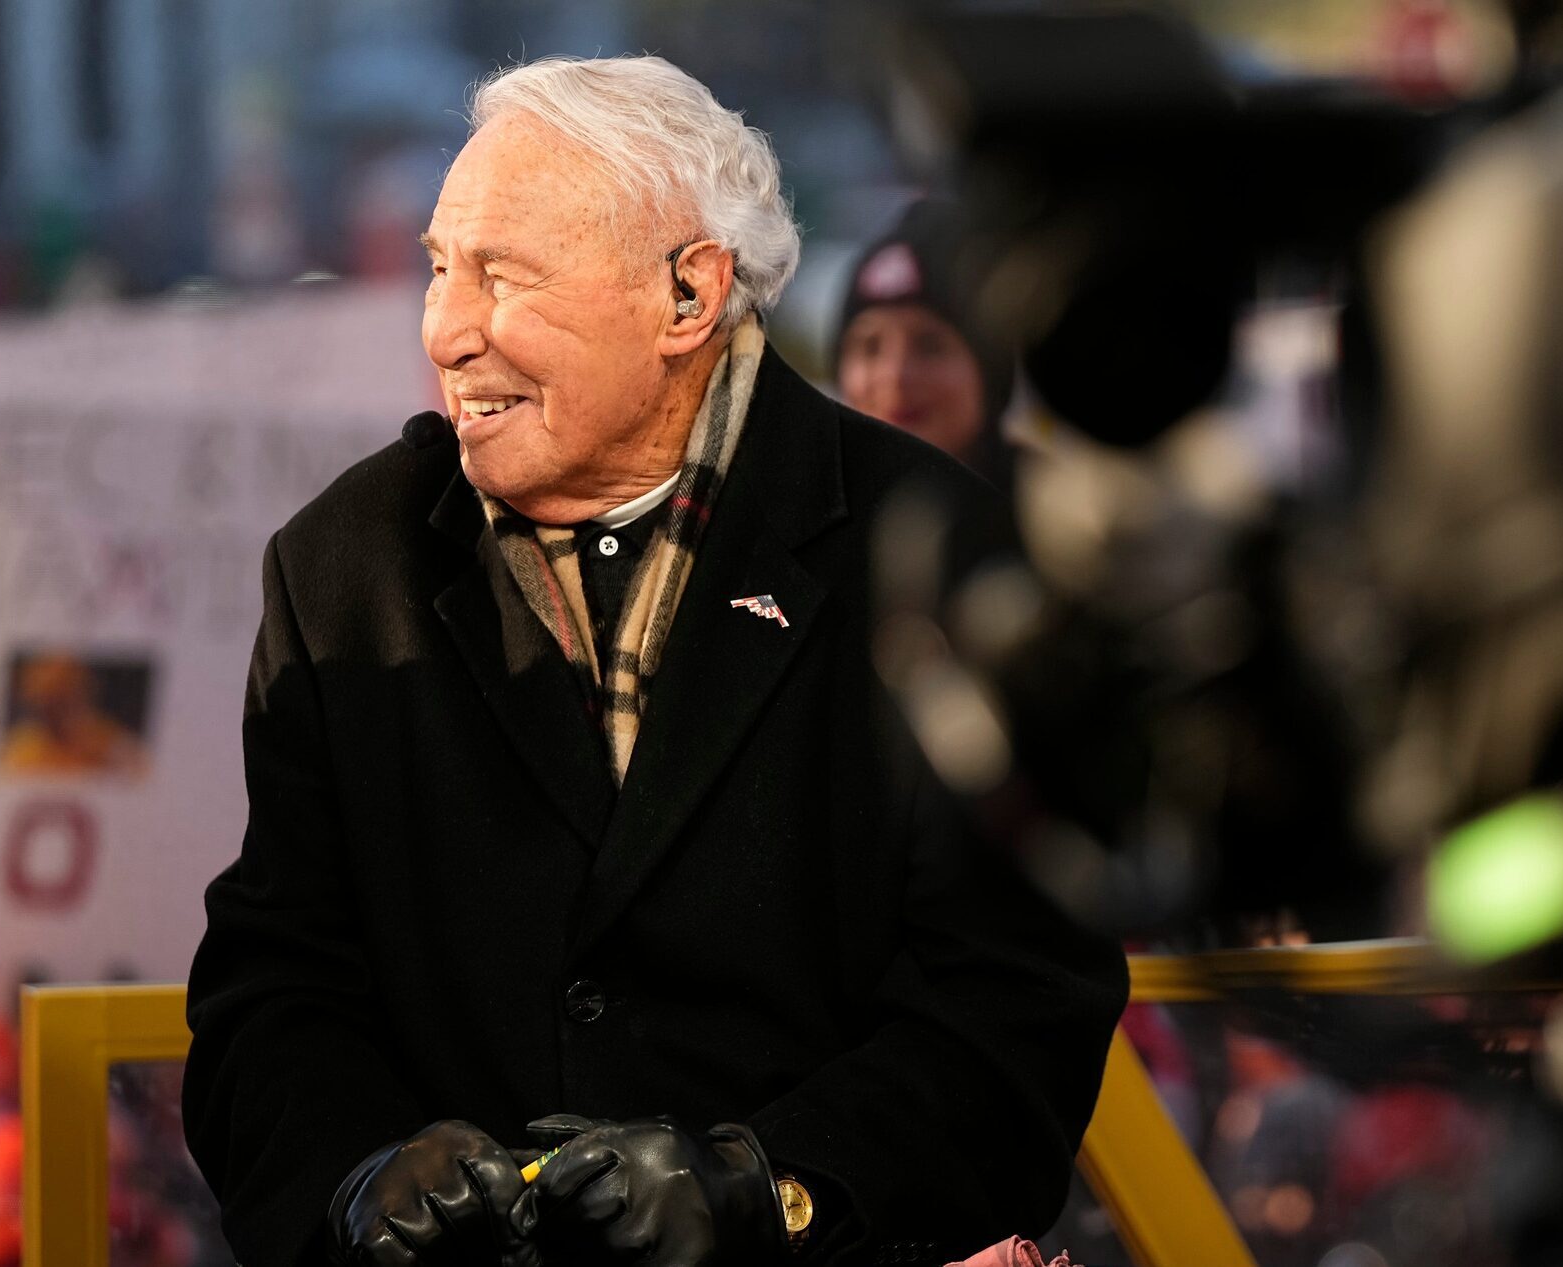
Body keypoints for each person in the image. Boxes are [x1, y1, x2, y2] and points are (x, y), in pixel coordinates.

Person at [181, 56, 1126, 1267]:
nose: (446, 330)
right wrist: (358, 1177)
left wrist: (768, 1187)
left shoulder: (936, 551)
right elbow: (273, 995)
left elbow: (1017, 1005)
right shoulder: (343, 569)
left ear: (688, 292)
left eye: (501, 277)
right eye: (437, 268)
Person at [834, 199, 1016, 483]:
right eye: (870, 347)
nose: (894, 376)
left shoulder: (1051, 514)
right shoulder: (799, 510)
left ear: (991, 369)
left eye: (930, 346)